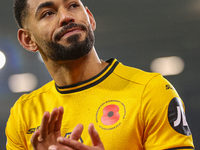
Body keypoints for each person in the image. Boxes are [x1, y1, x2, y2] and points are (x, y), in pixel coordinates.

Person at [6, 0, 195, 149]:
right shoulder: (22, 114)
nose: (66, 16)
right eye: (48, 13)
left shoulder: (151, 91)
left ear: (90, 18)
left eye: (73, 5)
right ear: (28, 40)